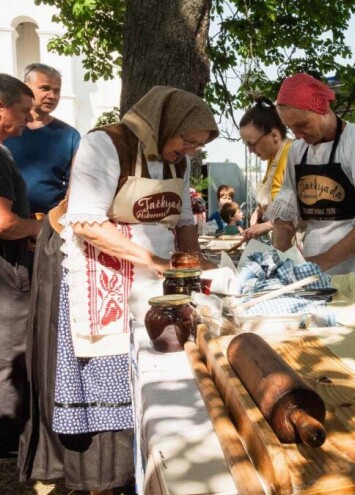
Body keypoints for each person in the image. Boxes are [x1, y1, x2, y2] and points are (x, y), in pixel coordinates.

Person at [17, 86, 217, 493]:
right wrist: (155, 262)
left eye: (197, 145)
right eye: (187, 140)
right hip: (87, 268)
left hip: (139, 270)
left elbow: (182, 222)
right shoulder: (106, 144)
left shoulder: (178, 163)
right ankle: (96, 475)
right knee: (100, 364)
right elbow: (88, 223)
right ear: (166, 124)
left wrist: (192, 267)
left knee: (147, 361)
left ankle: (136, 467)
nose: (190, 151)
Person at [266, 73, 355, 290]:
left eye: (302, 125)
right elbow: (284, 216)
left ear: (323, 110)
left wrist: (321, 262)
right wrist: (282, 258)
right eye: (291, 128)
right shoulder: (298, 151)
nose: (297, 135)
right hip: (317, 254)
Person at [0, 74, 42, 458]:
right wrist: (44, 225)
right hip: (8, 271)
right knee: (11, 350)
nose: (29, 119)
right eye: (23, 110)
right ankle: (8, 440)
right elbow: (4, 223)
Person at [5, 64, 80, 215]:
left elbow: (76, 185)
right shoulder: (6, 129)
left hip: (48, 225)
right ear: (26, 87)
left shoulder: (70, 136)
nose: (52, 96)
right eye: (45, 88)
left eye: (56, 90)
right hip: (7, 221)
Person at [240, 96, 293, 241]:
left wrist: (268, 225)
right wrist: (259, 211)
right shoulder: (272, 158)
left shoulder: (293, 155)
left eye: (252, 144)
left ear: (274, 136)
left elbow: (299, 208)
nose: (251, 151)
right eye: (247, 145)